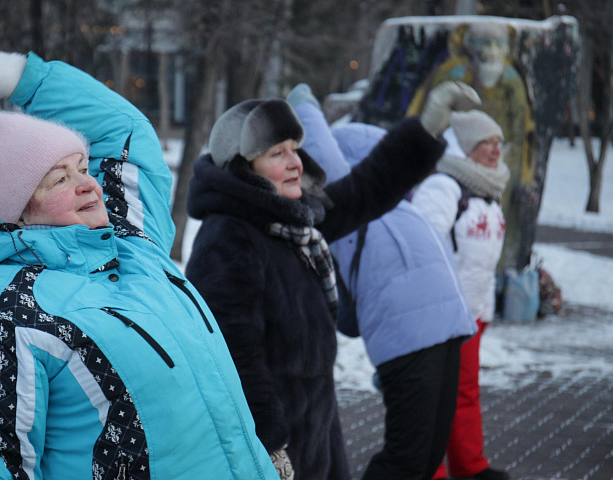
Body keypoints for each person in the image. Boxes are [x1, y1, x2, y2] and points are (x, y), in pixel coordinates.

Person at [0, 42, 280, 480]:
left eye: (82, 167)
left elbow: (126, 131)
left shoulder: (134, 245)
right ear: (16, 210)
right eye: (59, 178)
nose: (87, 185)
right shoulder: (1, 311)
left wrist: (24, 80)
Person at [183, 81, 480, 480]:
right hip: (273, 447)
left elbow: (367, 189)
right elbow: (233, 358)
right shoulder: (228, 238)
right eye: (277, 152)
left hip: (315, 433)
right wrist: (268, 446)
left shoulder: (290, 221)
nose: (295, 162)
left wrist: (427, 126)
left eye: (295, 148)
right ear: (243, 167)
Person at [287, 84, 478, 480]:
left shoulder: (392, 209)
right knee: (410, 459)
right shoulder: (352, 206)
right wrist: (302, 102)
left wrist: (304, 100)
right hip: (423, 331)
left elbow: (348, 317)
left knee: (421, 458)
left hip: (435, 330)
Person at [410, 110, 511, 480]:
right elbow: (422, 247)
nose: (495, 150)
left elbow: (483, 265)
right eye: (487, 142)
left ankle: (470, 467)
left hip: (471, 315)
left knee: (465, 392)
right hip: (439, 317)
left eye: (499, 142)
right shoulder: (444, 186)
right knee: (433, 399)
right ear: (467, 145)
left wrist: (484, 310)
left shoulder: (490, 190)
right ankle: (431, 470)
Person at [407, 21, 534, 273]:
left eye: (497, 43)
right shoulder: (443, 186)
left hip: (499, 167)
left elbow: (522, 130)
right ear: (469, 46)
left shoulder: (511, 80)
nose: (491, 50)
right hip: (457, 157)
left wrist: (524, 175)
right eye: (484, 43)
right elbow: (429, 115)